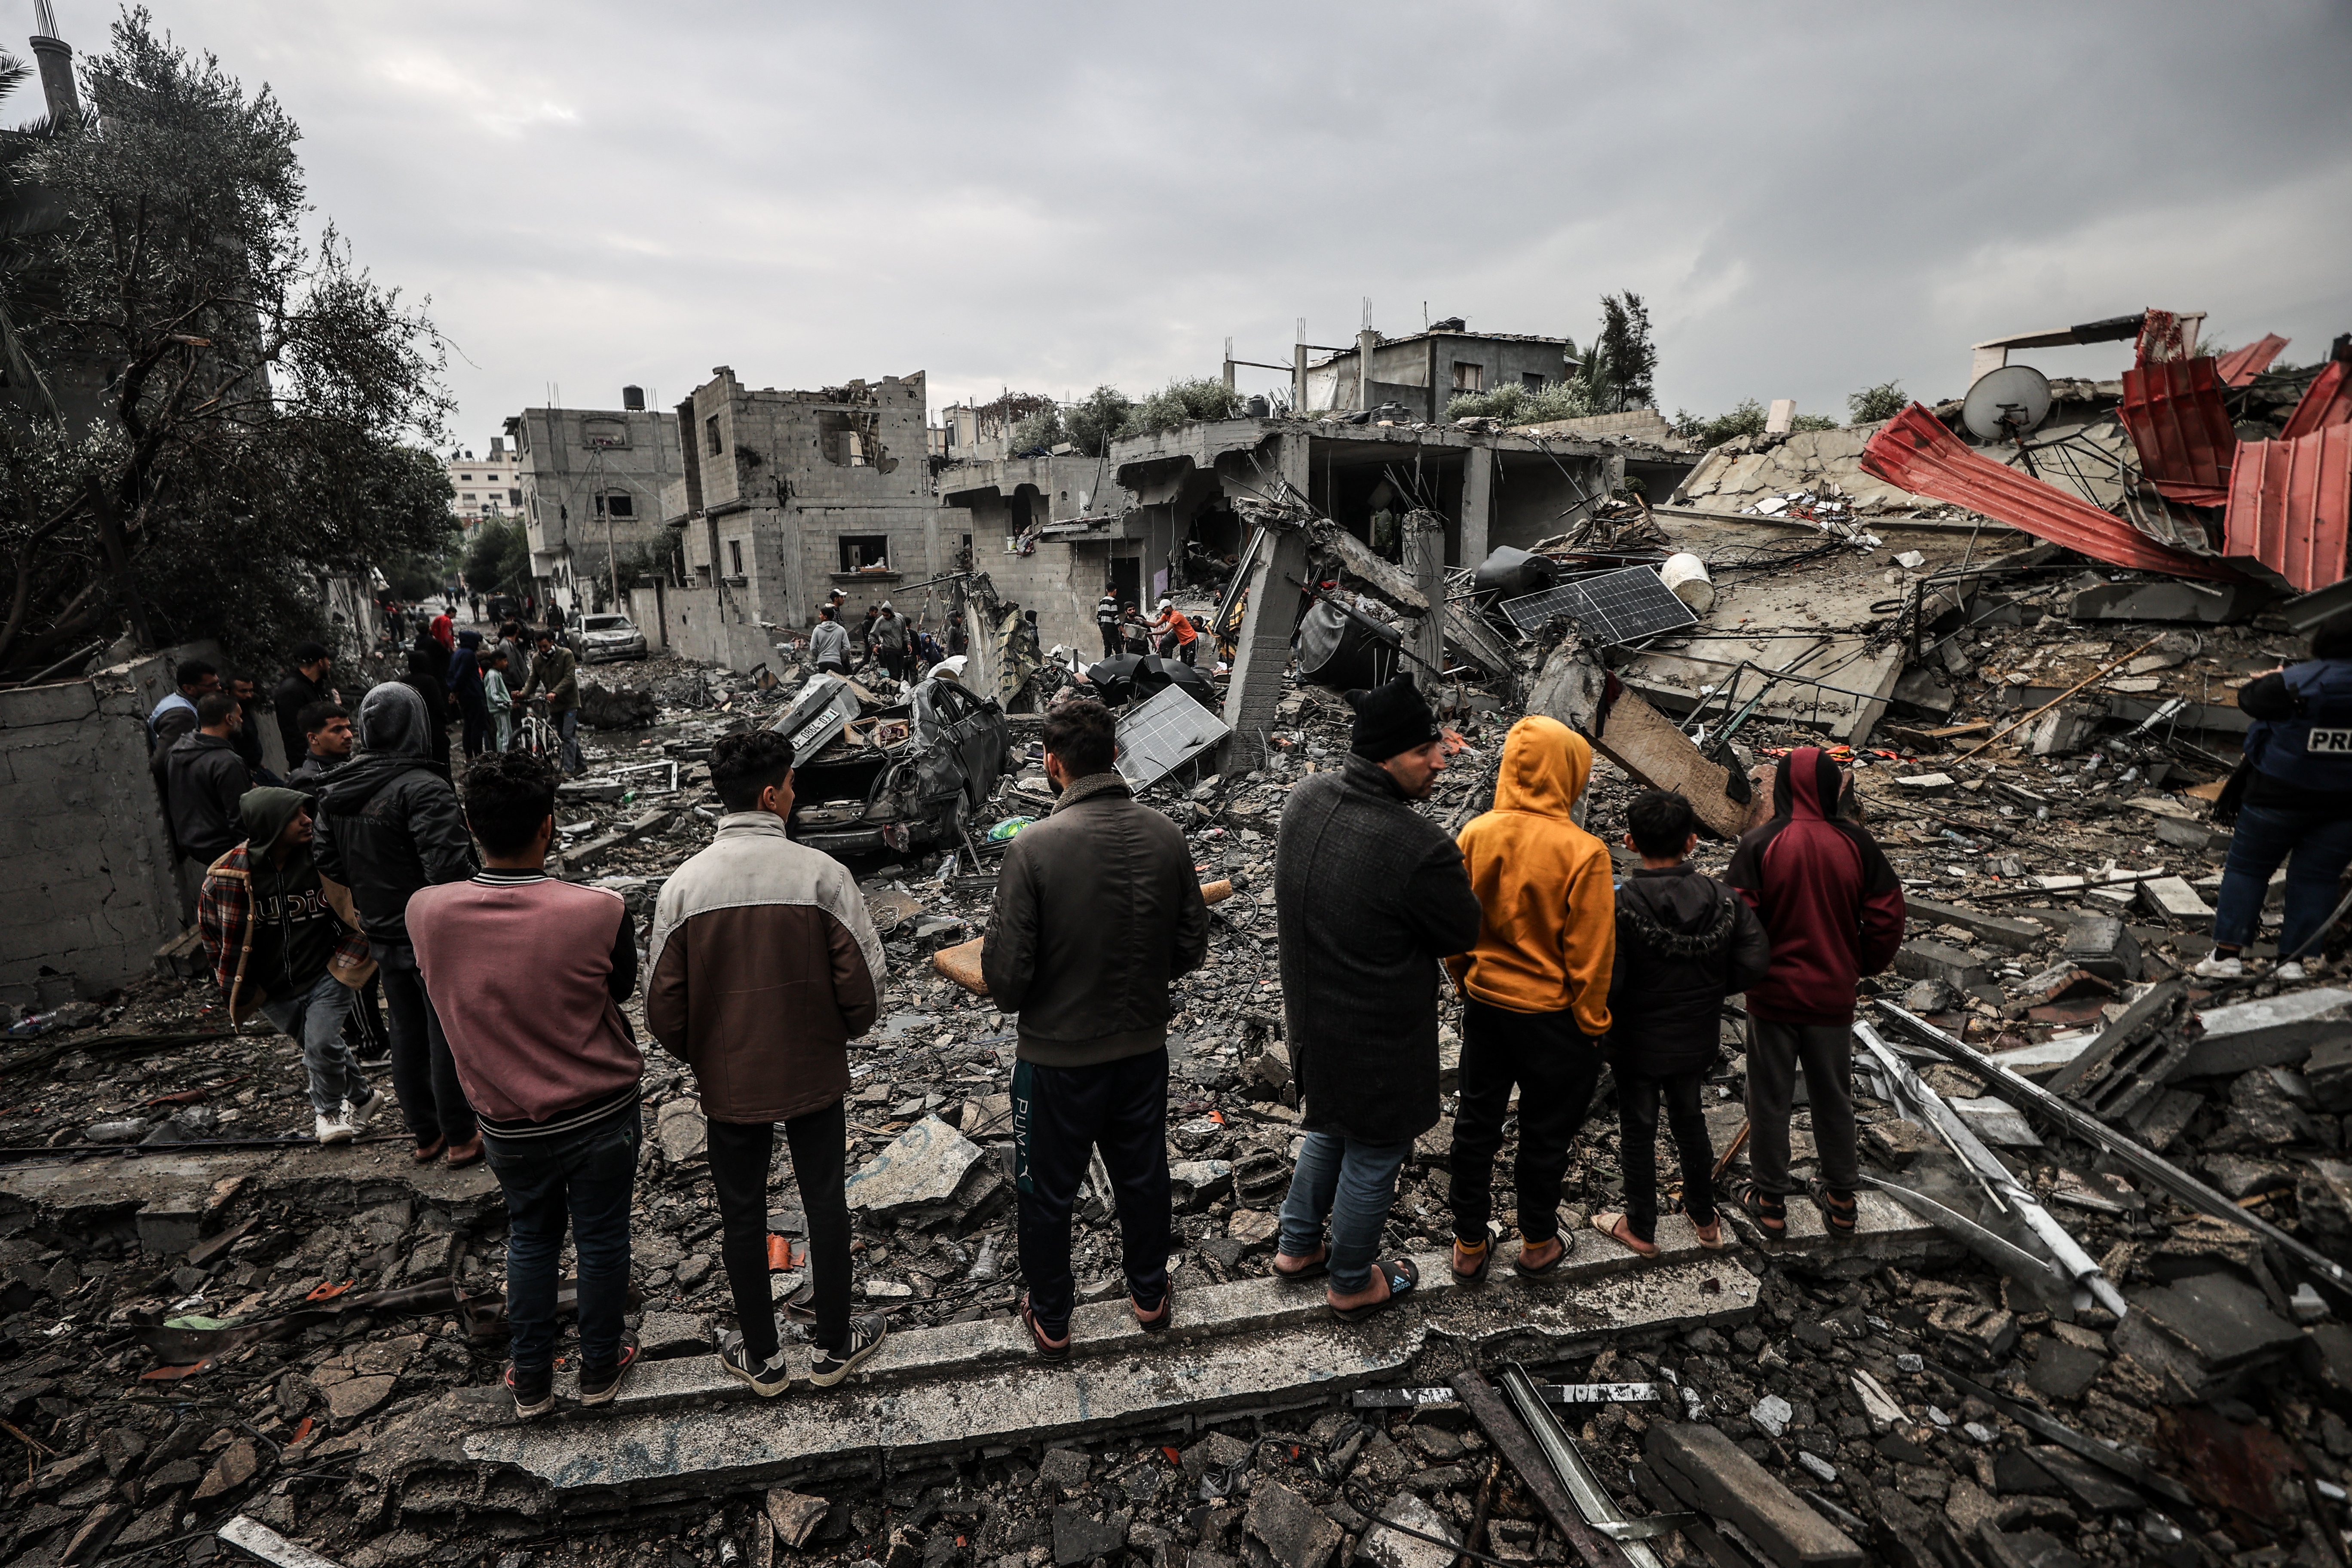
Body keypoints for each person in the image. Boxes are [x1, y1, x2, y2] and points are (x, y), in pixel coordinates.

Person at [646, 729, 890, 1393]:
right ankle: (834, 1347)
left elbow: (662, 1008)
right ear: (769, 796)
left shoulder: (684, 887)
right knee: (825, 1203)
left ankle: (763, 1357)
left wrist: (707, 1054)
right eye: (790, 784)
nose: (794, 793)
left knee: (742, 1215)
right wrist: (837, 1034)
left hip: (730, 1081)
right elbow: (864, 991)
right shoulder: (821, 876)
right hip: (815, 1073)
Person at [409, 751, 644, 1416]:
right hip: (601, 1112)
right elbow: (620, 989)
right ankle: (599, 1369)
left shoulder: (426, 912)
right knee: (602, 1240)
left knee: (532, 1238)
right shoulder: (599, 910)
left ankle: (532, 1379)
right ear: (549, 825)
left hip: (507, 1123)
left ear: (470, 826)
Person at [982, 700, 1209, 1356]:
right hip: (1142, 1049)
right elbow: (1190, 948)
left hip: (1056, 1062)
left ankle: (1052, 1318)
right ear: (1116, 753)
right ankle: (1150, 1295)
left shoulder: (1032, 848)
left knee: (1046, 1191)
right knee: (1143, 1175)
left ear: (1052, 764)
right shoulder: (1166, 835)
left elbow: (1007, 984)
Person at [1270, 677, 1483, 1318]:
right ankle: (1351, 1282)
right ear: (1388, 756)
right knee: (1376, 1148)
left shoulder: (1305, 799)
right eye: (1425, 751)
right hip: (1377, 1034)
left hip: (1312, 1020)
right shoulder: (1417, 845)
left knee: (1332, 1125)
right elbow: (1462, 933)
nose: (1441, 761)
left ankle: (1297, 1246)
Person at [1442, 716, 1616, 1281]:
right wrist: (1593, 1022)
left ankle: (1469, 1244)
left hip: (1487, 1009)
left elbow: (1455, 926)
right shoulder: (1584, 852)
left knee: (1476, 1125)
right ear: (1568, 772)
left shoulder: (1476, 834)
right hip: (1554, 1020)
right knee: (1545, 1136)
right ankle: (1538, 1241)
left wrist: (1466, 980)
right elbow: (1591, 954)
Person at [1724, 746, 1905, 1239]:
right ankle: (1842, 1200)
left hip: (1772, 999)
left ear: (1783, 787)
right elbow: (1888, 914)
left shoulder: (1761, 843)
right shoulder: (1857, 843)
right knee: (1833, 1096)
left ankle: (1769, 1203)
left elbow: (1736, 919)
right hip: (1832, 997)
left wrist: (1752, 971)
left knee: (1769, 1098)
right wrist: (1860, 963)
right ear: (1831, 788)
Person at [1591, 790, 1770, 1257]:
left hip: (1634, 1042)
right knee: (1690, 1119)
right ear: (1692, 841)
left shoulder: (1619, 903)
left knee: (1638, 1129)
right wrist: (1709, 988)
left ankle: (1641, 1226)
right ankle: (1705, 1217)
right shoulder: (1722, 899)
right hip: (1696, 1036)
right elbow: (1755, 961)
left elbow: (1608, 980)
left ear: (1630, 841)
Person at [313, 683, 482, 1167]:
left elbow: (328, 859)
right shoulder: (424, 787)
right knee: (445, 1031)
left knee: (406, 1029)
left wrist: (374, 895)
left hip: (382, 929)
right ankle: (461, 1136)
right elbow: (448, 869)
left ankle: (426, 1135)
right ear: (417, 726)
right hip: (431, 930)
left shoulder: (336, 790)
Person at [197, 787, 382, 1143]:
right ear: (270, 824)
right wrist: (239, 982)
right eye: (296, 816)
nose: (308, 821)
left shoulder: (325, 860)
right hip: (272, 988)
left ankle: (328, 1112)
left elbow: (363, 906)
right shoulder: (225, 877)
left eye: (307, 813)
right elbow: (211, 933)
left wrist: (348, 963)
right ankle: (363, 1098)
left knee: (322, 1043)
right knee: (319, 1047)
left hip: (328, 974)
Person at [2199, 614, 2352, 982]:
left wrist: (2274, 678)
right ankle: (2293, 962)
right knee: (2318, 878)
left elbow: (2249, 700)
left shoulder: (2294, 681)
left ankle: (2227, 957)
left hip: (2277, 794)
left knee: (2248, 870)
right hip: (2344, 805)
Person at [167, 692, 255, 904]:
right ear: (229, 719)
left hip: (194, 843)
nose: (242, 720)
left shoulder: (178, 752)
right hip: (224, 847)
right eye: (239, 715)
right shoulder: (228, 762)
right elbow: (242, 820)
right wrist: (253, 860)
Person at [517, 627, 582, 775]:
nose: (543, 650)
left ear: (552, 643)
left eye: (545, 646)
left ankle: (568, 770)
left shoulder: (566, 654)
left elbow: (569, 678)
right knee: (565, 737)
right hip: (554, 705)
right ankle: (581, 765)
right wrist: (523, 693)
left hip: (570, 702)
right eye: (539, 647)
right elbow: (533, 680)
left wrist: (555, 692)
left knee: (568, 736)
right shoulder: (537, 659)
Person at [273, 643, 337, 766]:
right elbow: (294, 735)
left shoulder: (316, 686)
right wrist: (309, 765)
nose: (329, 664)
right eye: (327, 660)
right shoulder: (291, 691)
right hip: (311, 764)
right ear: (320, 663)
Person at [287, 702, 355, 796]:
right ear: (313, 739)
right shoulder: (313, 785)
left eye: (348, 728)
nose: (349, 735)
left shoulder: (351, 764)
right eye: (338, 730)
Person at [450, 629, 492, 759]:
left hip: (464, 696)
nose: (478, 645)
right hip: (472, 694)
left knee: (468, 726)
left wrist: (455, 691)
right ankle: (478, 755)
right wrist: (456, 691)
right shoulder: (468, 655)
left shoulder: (458, 653)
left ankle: (469, 756)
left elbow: (453, 675)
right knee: (477, 727)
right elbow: (462, 676)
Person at [226, 676, 269, 776]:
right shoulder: (229, 717)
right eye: (243, 691)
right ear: (230, 692)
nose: (249, 695)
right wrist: (243, 769)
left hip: (256, 767)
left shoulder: (245, 709)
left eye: (251, 691)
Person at [483, 648, 514, 754]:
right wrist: (507, 704)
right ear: (498, 661)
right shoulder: (492, 675)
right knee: (505, 736)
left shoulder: (497, 674)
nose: (507, 663)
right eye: (505, 661)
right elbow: (493, 695)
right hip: (500, 710)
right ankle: (503, 757)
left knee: (505, 734)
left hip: (502, 710)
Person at [1151, 598, 1199, 667]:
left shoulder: (1176, 616)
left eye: (1163, 610)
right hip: (1183, 643)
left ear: (1168, 608)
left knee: (1191, 663)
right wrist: (1143, 621)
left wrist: (1152, 634)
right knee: (1184, 664)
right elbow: (1155, 625)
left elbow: (1166, 631)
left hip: (1191, 640)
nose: (1163, 612)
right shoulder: (1166, 615)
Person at [809, 605, 851, 676]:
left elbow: (813, 648)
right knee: (837, 682)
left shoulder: (817, 630)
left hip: (822, 663)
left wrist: (819, 656)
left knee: (825, 682)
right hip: (836, 662)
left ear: (825, 617)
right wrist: (840, 657)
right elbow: (847, 647)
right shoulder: (841, 630)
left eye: (821, 615)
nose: (819, 617)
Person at [873, 602, 909, 680]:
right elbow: (872, 635)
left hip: (899, 650)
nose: (885, 617)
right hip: (888, 651)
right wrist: (874, 646)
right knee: (894, 673)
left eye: (887, 615)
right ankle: (894, 687)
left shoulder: (900, 618)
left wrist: (908, 643)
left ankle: (896, 685)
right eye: (884, 615)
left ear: (891, 613)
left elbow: (905, 632)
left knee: (900, 672)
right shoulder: (880, 622)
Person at [1096, 583, 1123, 660]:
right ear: (1115, 591)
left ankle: (1106, 666)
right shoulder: (1113, 601)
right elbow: (1115, 618)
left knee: (1108, 650)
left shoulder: (1102, 601)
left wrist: (1102, 630)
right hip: (1112, 630)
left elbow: (1098, 618)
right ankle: (1121, 665)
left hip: (1105, 629)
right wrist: (1124, 632)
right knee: (1118, 651)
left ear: (1107, 590)